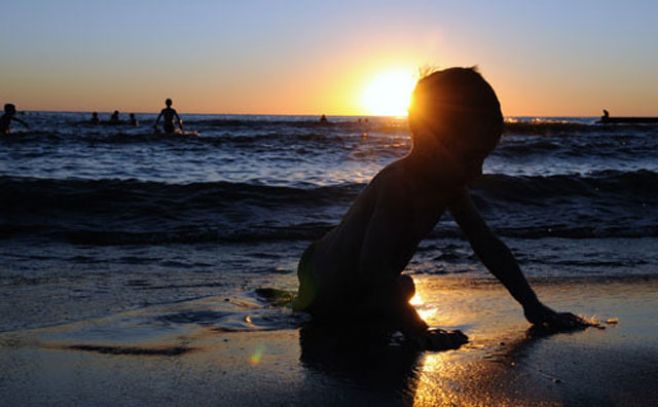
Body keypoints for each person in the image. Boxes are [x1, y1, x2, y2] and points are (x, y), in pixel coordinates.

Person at [292, 67, 590, 349]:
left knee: (402, 289)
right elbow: (371, 266)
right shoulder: (399, 185)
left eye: (483, 159)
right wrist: (418, 330)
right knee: (393, 292)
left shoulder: (449, 187)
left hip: (351, 279)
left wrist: (532, 306)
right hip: (324, 281)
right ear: (427, 137)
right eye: (471, 158)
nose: (478, 172)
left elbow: (487, 245)